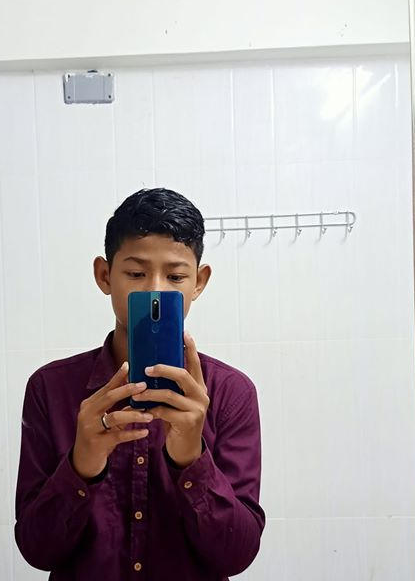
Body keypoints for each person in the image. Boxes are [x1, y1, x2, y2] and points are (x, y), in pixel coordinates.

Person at [14, 187, 265, 580]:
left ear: (199, 282)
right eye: (135, 273)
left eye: (176, 276)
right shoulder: (50, 388)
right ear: (104, 275)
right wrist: (81, 465)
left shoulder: (231, 393)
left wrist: (191, 460)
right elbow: (36, 550)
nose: (155, 291)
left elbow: (237, 556)